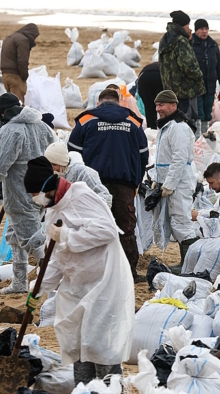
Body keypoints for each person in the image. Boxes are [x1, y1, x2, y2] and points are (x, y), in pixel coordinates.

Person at [23, 156, 134, 388]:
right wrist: (38, 289)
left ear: (47, 187)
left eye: (35, 193)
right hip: (77, 283)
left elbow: (107, 231)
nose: (35, 199)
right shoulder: (53, 211)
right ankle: (84, 393)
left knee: (98, 341)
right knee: (76, 340)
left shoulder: (81, 197)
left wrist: (67, 237)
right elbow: (55, 259)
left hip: (103, 278)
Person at [0, 93, 55, 294]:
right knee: (16, 235)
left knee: (31, 237)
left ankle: (54, 275)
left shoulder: (10, 132)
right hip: (44, 189)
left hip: (21, 192)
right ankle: (19, 283)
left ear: (4, 113)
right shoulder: (42, 126)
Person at [67, 88, 148, 282]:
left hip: (92, 184)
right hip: (124, 183)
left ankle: (94, 272)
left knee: (91, 225)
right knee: (125, 226)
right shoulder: (133, 122)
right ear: (120, 102)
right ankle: (129, 273)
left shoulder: (85, 121)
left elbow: (72, 155)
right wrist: (135, 180)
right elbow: (143, 155)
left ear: (98, 102)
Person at [153, 90, 198, 272]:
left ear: (173, 105)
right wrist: (159, 182)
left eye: (162, 105)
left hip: (179, 184)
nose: (158, 109)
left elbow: (179, 159)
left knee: (182, 223)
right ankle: (186, 262)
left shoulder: (178, 128)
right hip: (172, 183)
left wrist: (168, 186)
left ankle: (190, 264)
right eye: (157, 105)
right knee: (177, 223)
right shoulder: (168, 126)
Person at [159, 10, 205, 123]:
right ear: (183, 25)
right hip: (185, 91)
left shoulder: (165, 39)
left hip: (170, 89)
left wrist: (189, 41)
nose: (189, 28)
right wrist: (199, 75)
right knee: (187, 123)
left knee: (173, 122)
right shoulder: (180, 41)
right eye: (188, 25)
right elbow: (188, 66)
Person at [43, 141, 112, 207]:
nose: (51, 168)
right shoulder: (54, 175)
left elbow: (105, 197)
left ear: (62, 163)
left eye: (54, 164)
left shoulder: (84, 173)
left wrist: (87, 211)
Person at [192, 19, 220, 134]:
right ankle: (197, 138)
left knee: (207, 113)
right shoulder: (190, 43)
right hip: (195, 86)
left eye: (206, 29)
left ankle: (205, 136)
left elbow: (219, 66)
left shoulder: (213, 44)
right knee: (198, 112)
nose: (204, 32)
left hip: (210, 85)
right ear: (196, 30)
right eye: (201, 29)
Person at [0, 23, 39, 102]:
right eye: (35, 36)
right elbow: (23, 61)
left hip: (5, 75)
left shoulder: (10, 37)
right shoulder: (23, 40)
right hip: (15, 76)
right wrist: (24, 76)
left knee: (10, 104)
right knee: (18, 105)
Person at [136, 62, 163, 129]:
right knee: (164, 106)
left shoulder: (160, 64)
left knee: (149, 109)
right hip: (159, 76)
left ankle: (151, 131)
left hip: (143, 78)